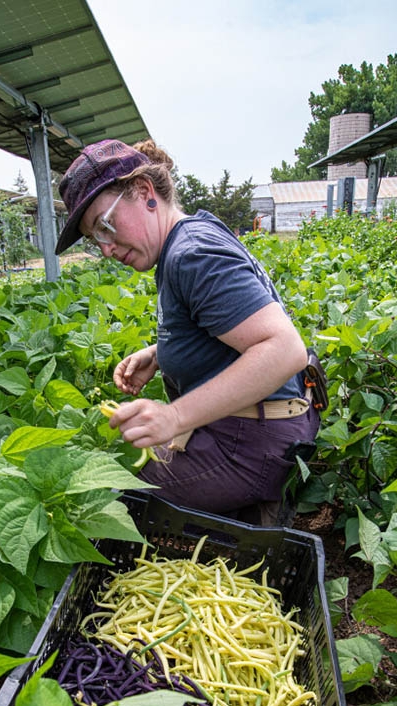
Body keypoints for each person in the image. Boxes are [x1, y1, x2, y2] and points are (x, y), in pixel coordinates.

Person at [55, 138, 322, 524]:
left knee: (112, 503)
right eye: (97, 238)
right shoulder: (190, 235)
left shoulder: (192, 254)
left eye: (105, 226)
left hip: (252, 444)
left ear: (145, 192)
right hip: (263, 426)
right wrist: (160, 353)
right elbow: (225, 323)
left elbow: (284, 350)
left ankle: (251, 504)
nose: (107, 249)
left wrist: (175, 417)